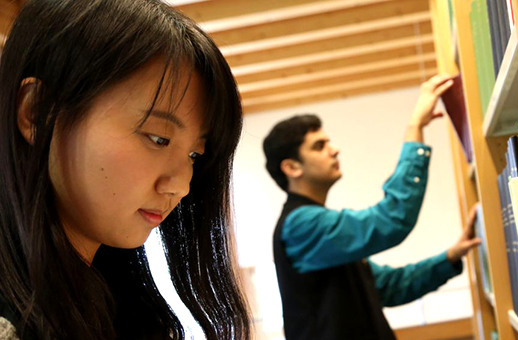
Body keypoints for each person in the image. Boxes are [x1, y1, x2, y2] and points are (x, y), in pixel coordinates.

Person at [0, 1, 250, 339]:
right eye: (159, 138)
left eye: (194, 154)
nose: (181, 186)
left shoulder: (110, 303)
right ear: (37, 113)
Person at [263, 74, 482, 340]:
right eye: (319, 146)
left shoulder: (318, 227)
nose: (335, 150)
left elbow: (390, 287)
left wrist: (451, 256)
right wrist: (415, 127)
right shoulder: (302, 225)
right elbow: (393, 218)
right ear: (292, 167)